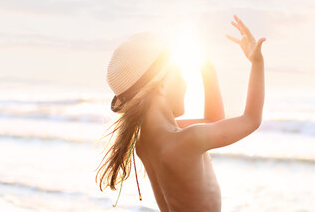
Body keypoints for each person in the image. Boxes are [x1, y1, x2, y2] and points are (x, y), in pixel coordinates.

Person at [97, 15, 266, 212]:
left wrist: (207, 67)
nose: (186, 83)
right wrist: (257, 63)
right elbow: (251, 119)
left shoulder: (146, 143)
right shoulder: (184, 140)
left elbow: (213, 121)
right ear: (160, 86)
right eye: (180, 74)